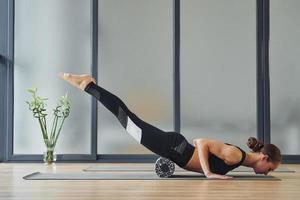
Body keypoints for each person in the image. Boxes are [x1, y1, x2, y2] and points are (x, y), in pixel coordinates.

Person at [59, 72, 282, 180]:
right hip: (174, 147)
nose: (266, 173)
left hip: (175, 149)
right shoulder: (235, 155)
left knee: (129, 121)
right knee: (127, 120)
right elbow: (201, 143)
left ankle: (90, 86)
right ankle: (88, 85)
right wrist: (208, 174)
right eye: (270, 169)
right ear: (264, 158)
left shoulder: (239, 160)